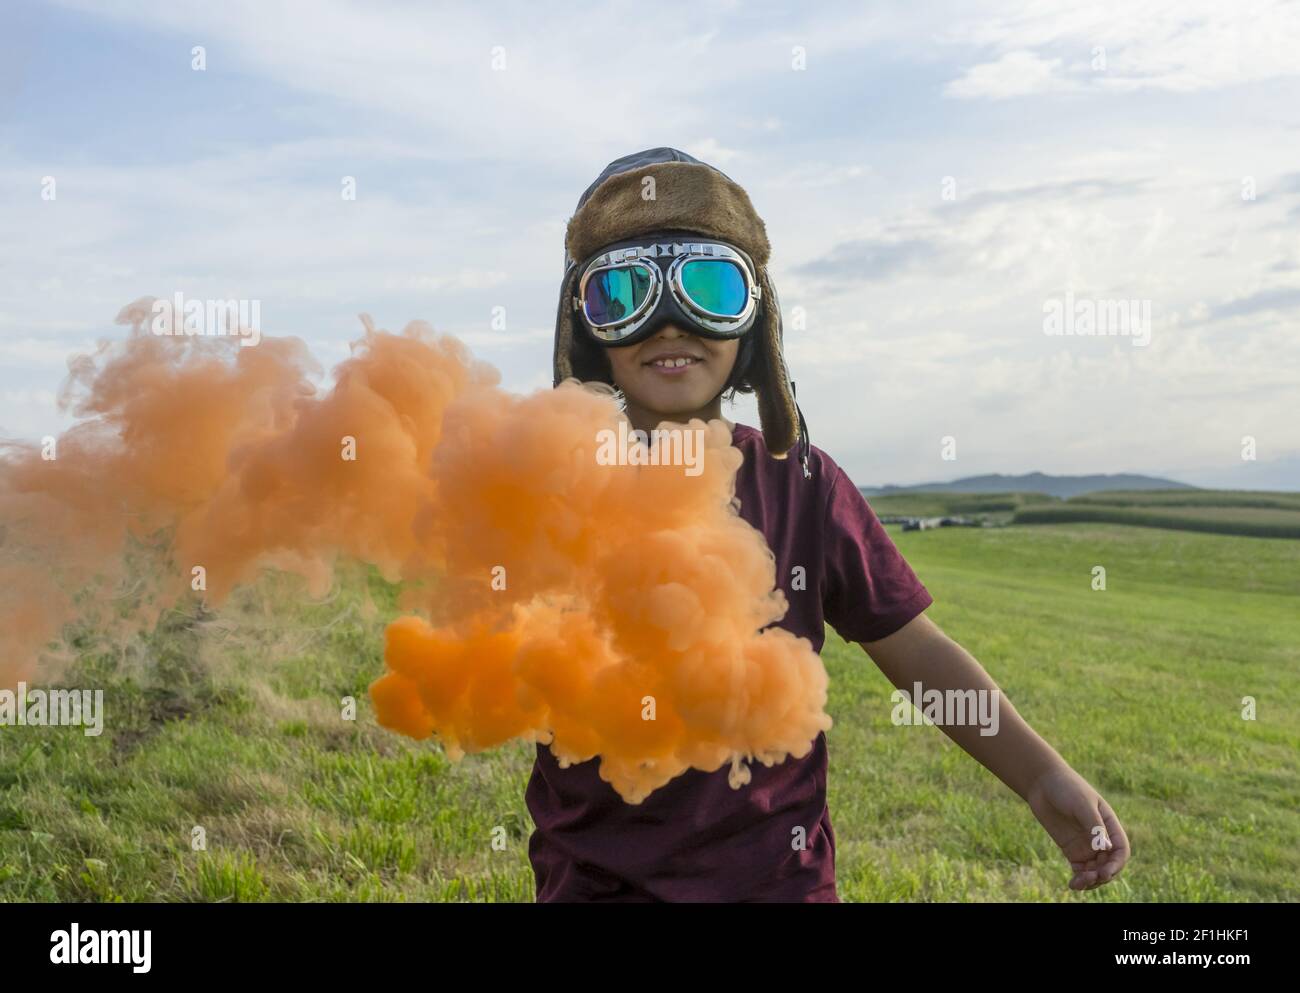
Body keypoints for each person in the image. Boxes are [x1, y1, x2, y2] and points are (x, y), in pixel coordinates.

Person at [526, 147, 1130, 902]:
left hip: (779, 883)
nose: (670, 323)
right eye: (625, 293)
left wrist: (1040, 773)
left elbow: (913, 646)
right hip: (594, 884)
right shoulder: (543, 491)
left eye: (710, 286)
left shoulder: (803, 483)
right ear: (587, 329)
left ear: (755, 322)